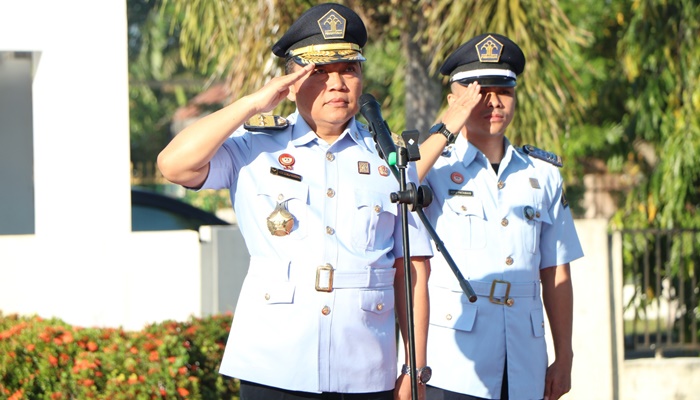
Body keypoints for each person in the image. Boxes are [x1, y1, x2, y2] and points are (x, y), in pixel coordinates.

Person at [157, 3, 432, 400]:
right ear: (291, 83)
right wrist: (252, 103)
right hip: (275, 364)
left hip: (365, 366)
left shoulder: (389, 159)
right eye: (319, 72)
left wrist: (415, 369)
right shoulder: (255, 149)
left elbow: (413, 269)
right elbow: (173, 165)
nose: (337, 83)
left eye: (349, 69)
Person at [414, 33, 584, 400]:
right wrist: (447, 127)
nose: (493, 102)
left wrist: (564, 355)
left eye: (504, 91)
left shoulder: (542, 174)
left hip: (525, 358)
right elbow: (393, 187)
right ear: (454, 100)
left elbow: (556, 271)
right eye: (479, 92)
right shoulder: (435, 167)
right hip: (455, 363)